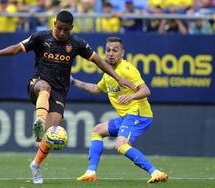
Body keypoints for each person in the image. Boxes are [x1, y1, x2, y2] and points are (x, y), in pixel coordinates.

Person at [0, 10, 135, 184]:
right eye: (60, 28)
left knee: (50, 136)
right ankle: (38, 121)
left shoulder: (76, 43)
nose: (62, 33)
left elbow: (98, 61)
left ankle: (35, 165)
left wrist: (119, 79)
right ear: (54, 24)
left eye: (66, 30)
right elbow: (17, 48)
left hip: (59, 92)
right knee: (44, 87)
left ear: (72, 28)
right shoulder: (41, 37)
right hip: (37, 85)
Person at [72, 36, 168, 184]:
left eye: (115, 50)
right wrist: (73, 81)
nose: (111, 53)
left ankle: (156, 172)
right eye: (108, 50)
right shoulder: (108, 74)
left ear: (122, 53)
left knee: (121, 144)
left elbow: (146, 90)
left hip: (139, 114)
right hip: (126, 116)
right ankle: (90, 172)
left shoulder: (128, 70)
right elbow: (96, 89)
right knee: (97, 131)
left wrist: (131, 97)